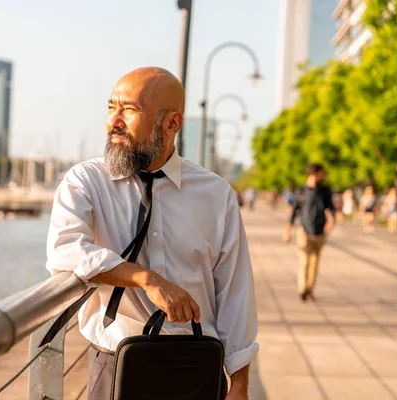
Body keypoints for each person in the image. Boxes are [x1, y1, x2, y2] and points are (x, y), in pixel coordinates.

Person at [46, 67, 258, 400]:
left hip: (199, 367)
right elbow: (65, 251)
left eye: (129, 110)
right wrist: (146, 279)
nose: (114, 120)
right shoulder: (85, 181)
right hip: (116, 365)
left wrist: (241, 384)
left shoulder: (216, 194)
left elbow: (235, 291)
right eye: (111, 107)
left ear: (172, 123)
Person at [283, 163, 335, 302]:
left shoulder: (324, 191)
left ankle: (309, 289)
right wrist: (287, 232)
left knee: (314, 262)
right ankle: (302, 289)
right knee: (304, 261)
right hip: (304, 231)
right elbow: (293, 213)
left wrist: (331, 220)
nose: (324, 176)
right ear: (314, 174)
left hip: (320, 232)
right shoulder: (301, 191)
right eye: (322, 173)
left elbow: (330, 208)